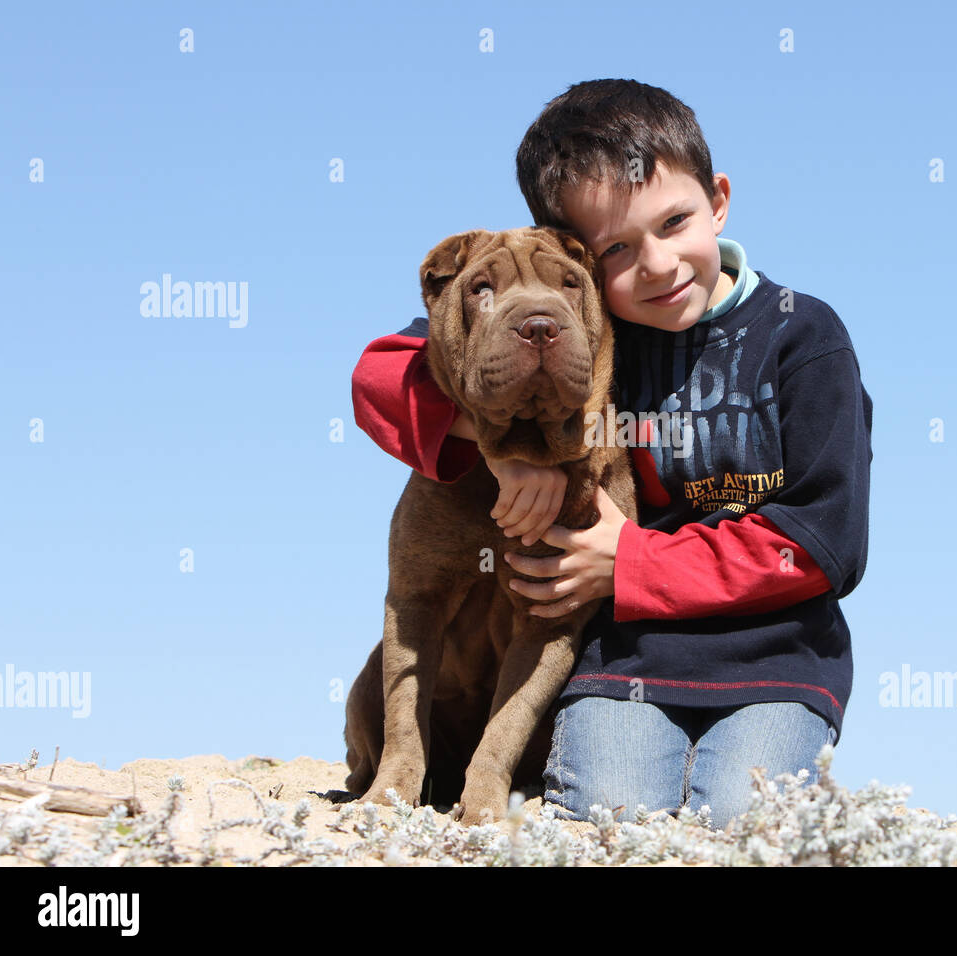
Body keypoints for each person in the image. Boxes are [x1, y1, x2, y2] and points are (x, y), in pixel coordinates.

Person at [351, 78, 873, 831]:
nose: (657, 265)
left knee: (739, 819)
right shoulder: (589, 337)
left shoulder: (803, 337)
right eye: (617, 250)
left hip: (777, 664)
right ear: (578, 266)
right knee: (606, 816)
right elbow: (381, 375)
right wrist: (500, 451)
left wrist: (628, 563)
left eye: (675, 222)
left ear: (718, 200)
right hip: (625, 663)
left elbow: (828, 544)